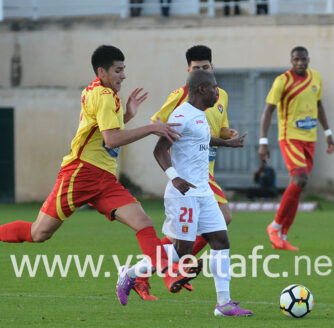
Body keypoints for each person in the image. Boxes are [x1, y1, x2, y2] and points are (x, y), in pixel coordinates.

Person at [0, 44, 192, 306]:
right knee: (39, 233)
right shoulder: (102, 95)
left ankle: (169, 274)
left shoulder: (102, 92)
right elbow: (111, 140)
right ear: (102, 71)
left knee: (144, 222)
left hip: (103, 180)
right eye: (118, 70)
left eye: (124, 69)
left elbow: (104, 133)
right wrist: (150, 128)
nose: (123, 75)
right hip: (80, 175)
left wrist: (127, 115)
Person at [121, 70, 252, 316]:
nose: (217, 91)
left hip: (203, 192)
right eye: (214, 87)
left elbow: (201, 140)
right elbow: (159, 150)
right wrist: (174, 176)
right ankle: (130, 273)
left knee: (221, 241)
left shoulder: (201, 115)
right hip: (184, 193)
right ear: (201, 89)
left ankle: (223, 304)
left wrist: (227, 143)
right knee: (182, 251)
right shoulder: (181, 115)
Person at [133, 45, 239, 300]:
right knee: (206, 231)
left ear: (211, 69)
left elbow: (214, 130)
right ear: (191, 74)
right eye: (197, 69)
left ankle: (220, 300)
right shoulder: (181, 101)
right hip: (189, 179)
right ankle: (148, 270)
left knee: (218, 233)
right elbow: (156, 124)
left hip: (205, 173)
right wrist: (174, 169)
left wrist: (228, 138)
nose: (202, 72)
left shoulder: (219, 96)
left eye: (205, 67)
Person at [258, 46, 334, 251]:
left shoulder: (316, 78)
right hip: (290, 137)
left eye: (303, 59)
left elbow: (319, 106)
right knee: (300, 179)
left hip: (310, 139)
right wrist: (263, 141)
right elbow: (268, 111)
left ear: (308, 59)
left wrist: (328, 133)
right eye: (296, 59)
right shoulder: (282, 81)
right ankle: (274, 226)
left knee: (300, 186)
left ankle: (283, 234)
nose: (300, 62)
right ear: (291, 61)